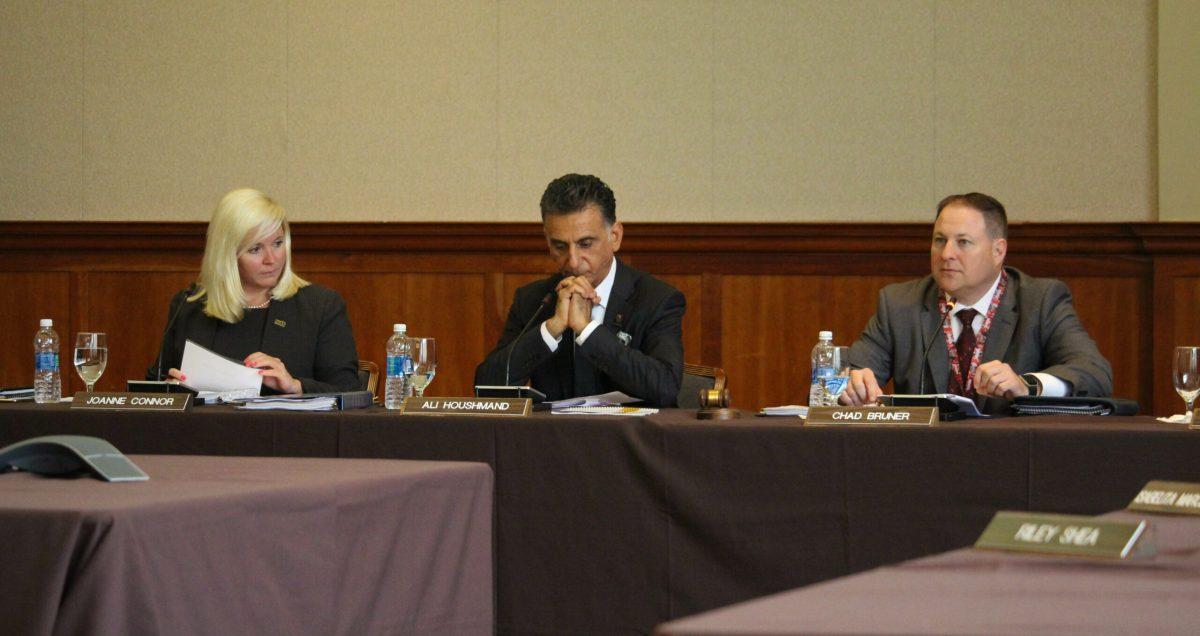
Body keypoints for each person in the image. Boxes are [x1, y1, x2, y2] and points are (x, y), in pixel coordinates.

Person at [841, 192, 1112, 415]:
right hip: (920, 456)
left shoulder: (1040, 301)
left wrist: (1026, 385)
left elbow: (1094, 372)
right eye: (939, 241)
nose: (947, 254)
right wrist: (852, 385)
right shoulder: (900, 304)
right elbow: (842, 378)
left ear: (998, 251)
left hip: (1012, 457)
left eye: (963, 243)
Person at [475, 174, 685, 406]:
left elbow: (665, 387)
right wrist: (550, 329)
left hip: (628, 439)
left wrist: (587, 330)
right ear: (547, 241)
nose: (573, 262)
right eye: (560, 246)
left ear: (615, 236)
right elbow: (486, 388)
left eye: (585, 244)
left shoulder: (656, 299)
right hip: (552, 439)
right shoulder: (534, 300)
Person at [147, 188, 361, 394]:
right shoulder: (189, 305)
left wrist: (295, 386)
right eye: (255, 249)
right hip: (206, 430)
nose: (271, 259)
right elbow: (152, 387)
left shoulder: (319, 306)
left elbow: (350, 392)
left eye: (277, 243)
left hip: (288, 430)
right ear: (227, 255)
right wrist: (171, 389)